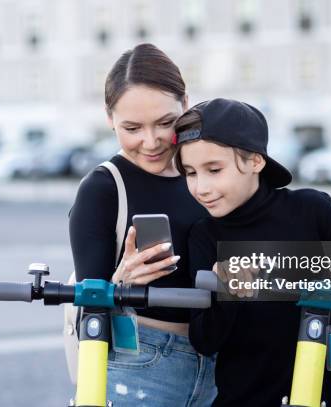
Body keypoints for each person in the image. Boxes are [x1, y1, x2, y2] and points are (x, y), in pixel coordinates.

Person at [173, 98, 331, 406]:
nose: (201, 187)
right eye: (190, 173)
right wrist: (227, 293)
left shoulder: (311, 211)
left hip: (325, 397)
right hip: (245, 399)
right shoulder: (204, 235)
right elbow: (204, 340)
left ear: (255, 161)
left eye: (214, 169)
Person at [69, 43, 217, 406]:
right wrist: (122, 282)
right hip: (139, 364)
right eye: (132, 127)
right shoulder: (103, 188)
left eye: (165, 123)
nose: (150, 142)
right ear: (109, 118)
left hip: (222, 367)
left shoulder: (207, 172)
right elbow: (89, 308)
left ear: (186, 104)